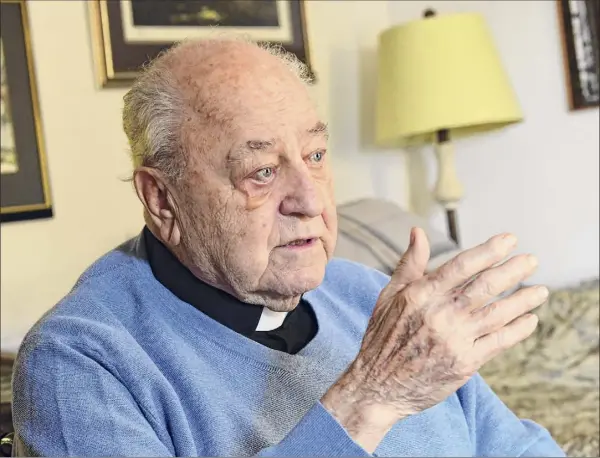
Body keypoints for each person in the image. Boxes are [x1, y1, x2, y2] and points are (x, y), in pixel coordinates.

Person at [11, 37, 565, 457]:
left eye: (316, 156)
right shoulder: (79, 364)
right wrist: (370, 396)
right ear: (162, 199)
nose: (310, 199)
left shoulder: (367, 292)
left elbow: (516, 448)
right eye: (261, 170)